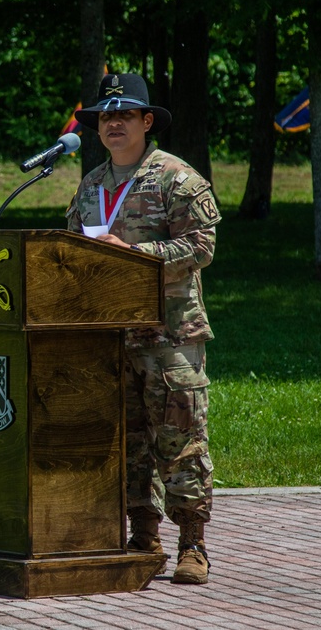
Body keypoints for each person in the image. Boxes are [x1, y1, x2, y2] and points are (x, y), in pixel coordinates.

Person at [66, 73, 221, 585]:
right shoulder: (91, 186)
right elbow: (71, 252)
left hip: (170, 336)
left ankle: (192, 544)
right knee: (127, 445)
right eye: (106, 117)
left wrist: (135, 255)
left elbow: (200, 246)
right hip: (111, 338)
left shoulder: (176, 178)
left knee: (180, 442)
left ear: (146, 121)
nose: (113, 124)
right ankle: (142, 537)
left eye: (124, 115)